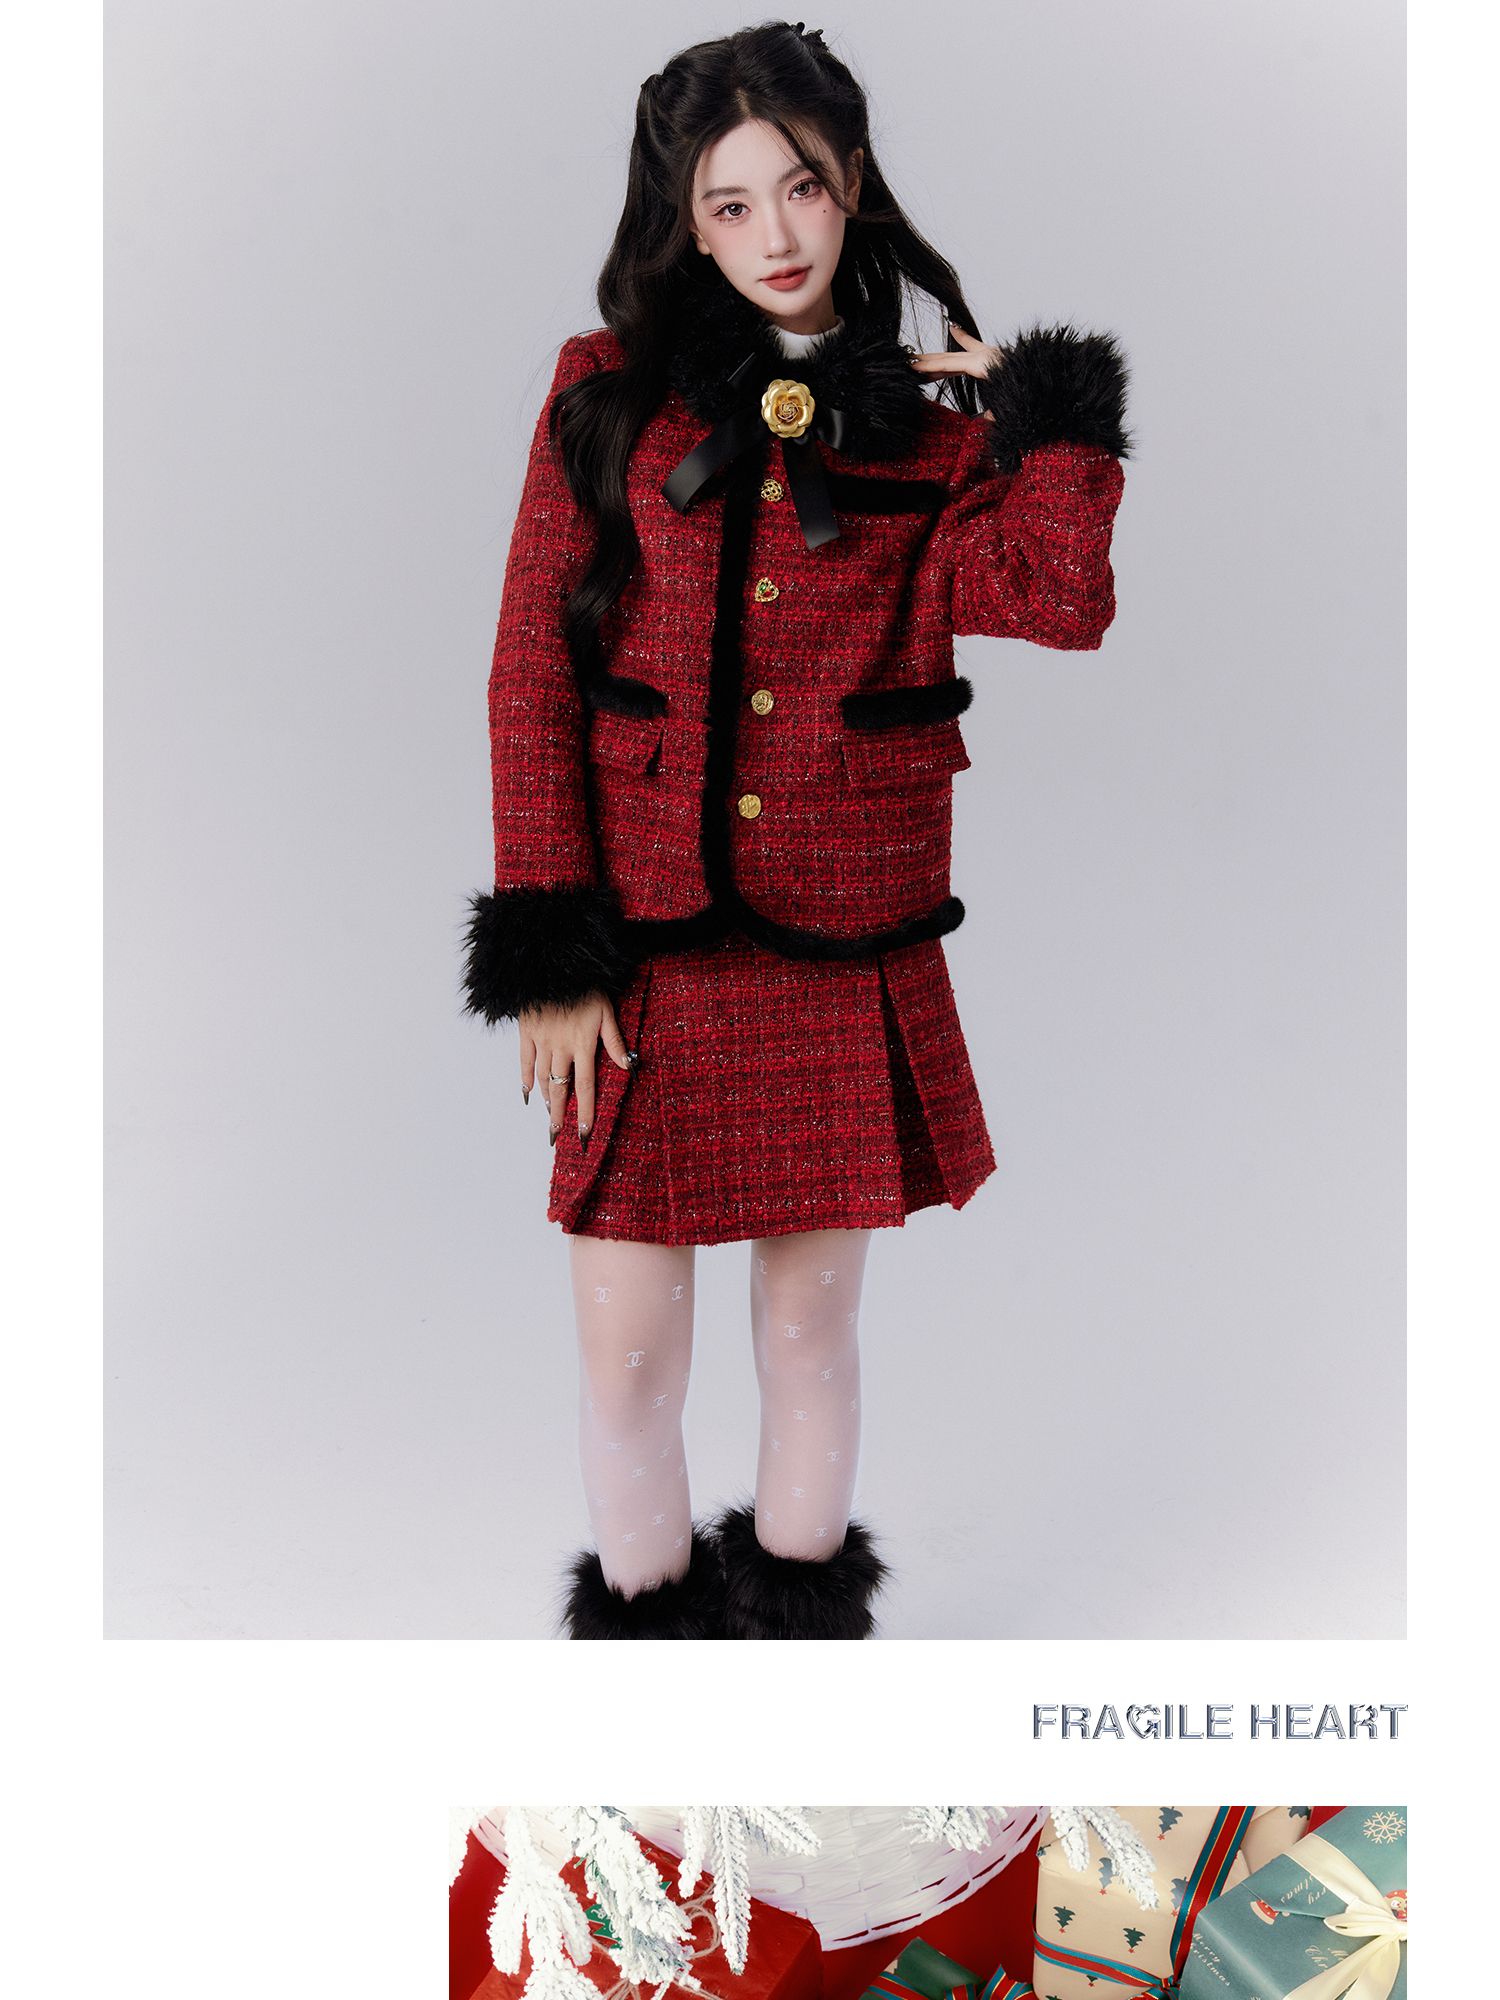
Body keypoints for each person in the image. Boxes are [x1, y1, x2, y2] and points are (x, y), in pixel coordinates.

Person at [463, 21, 1129, 1639]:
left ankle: (800, 1649)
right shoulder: (603, 397)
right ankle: (650, 1645)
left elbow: (1059, 598)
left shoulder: (931, 435)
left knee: (812, 1336)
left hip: (840, 938)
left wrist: (1045, 414)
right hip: (643, 947)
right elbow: (531, 673)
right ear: (685, 223)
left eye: (804, 190)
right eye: (732, 203)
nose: (776, 233)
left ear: (853, 185)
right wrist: (550, 942)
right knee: (627, 1355)